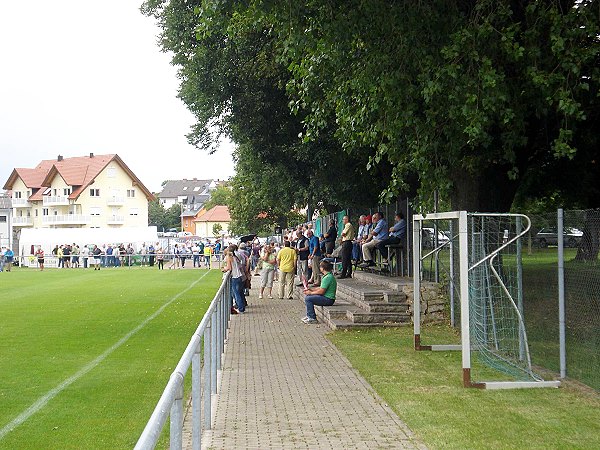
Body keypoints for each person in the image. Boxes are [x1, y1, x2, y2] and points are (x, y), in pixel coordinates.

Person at [221, 244, 246, 314]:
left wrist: (224, 269)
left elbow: (229, 268)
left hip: (235, 277)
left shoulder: (229, 257)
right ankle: (242, 307)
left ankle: (241, 309)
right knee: (240, 293)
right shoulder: (234, 257)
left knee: (236, 293)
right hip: (239, 276)